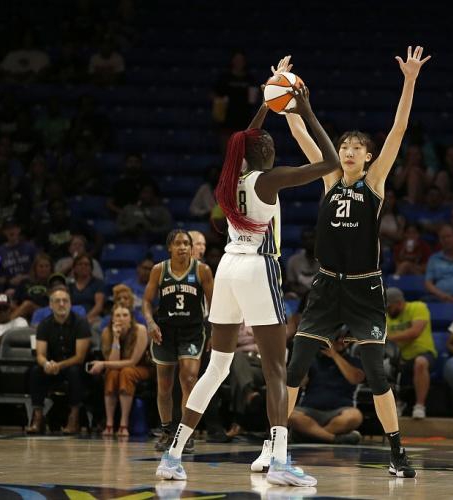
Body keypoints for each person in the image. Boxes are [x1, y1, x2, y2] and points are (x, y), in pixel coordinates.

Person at [156, 60, 340, 487]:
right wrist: (304, 108)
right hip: (258, 267)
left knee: (216, 367)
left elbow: (245, 139)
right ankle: (279, 461)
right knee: (277, 369)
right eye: (269, 144)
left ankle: (172, 455)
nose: (272, 147)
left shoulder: (231, 178)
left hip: (227, 269)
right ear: (265, 154)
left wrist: (266, 103)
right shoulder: (268, 180)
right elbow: (331, 161)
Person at [282, 47, 430, 479]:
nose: (347, 151)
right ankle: (276, 447)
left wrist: (409, 81)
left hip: (365, 289)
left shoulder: (375, 183)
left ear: (367, 157)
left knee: (376, 374)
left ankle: (397, 452)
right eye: (344, 146)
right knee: (296, 365)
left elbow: (398, 130)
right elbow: (300, 132)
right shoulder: (329, 178)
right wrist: (285, 93)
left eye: (356, 148)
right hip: (327, 285)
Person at [143, 230, 214, 454]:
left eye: (186, 243)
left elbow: (214, 303)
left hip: (192, 331)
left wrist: (214, 331)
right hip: (164, 332)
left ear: (191, 248)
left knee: (189, 379)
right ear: (169, 248)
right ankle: (167, 431)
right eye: (178, 243)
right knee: (164, 385)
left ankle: (185, 433)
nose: (182, 247)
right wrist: (150, 323)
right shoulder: (159, 270)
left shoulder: (202, 270)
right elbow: (146, 301)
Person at [26, 286, 91, 434]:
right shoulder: (44, 325)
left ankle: (74, 418)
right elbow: (40, 354)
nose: (62, 304)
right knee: (36, 371)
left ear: (70, 303)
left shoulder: (80, 323)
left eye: (65, 301)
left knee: (74, 372)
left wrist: (58, 365)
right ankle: (38, 417)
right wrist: (46, 364)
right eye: (57, 301)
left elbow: (80, 357)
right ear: (51, 305)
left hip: (74, 367)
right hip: (52, 367)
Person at [288, 329, 364, 444]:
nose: (341, 341)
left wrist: (335, 355)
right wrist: (304, 358)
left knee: (355, 416)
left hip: (340, 412)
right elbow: (300, 382)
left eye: (344, 339)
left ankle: (307, 435)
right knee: (289, 414)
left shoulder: (353, 361)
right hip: (309, 411)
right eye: (337, 338)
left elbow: (355, 378)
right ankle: (332, 438)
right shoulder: (312, 359)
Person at [87, 305, 150, 437]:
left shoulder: (140, 330)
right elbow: (113, 363)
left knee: (126, 372)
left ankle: (123, 423)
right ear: (112, 319)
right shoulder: (106, 332)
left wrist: (103, 364)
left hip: (141, 368)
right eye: (117, 315)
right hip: (118, 369)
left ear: (131, 318)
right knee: (112, 373)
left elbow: (133, 362)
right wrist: (116, 338)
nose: (121, 318)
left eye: (125, 315)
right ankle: (109, 424)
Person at [385, 288, 436, 419]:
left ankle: (420, 406)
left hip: (423, 353)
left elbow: (414, 332)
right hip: (399, 356)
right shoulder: (386, 316)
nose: (387, 310)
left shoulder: (418, 307)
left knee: (420, 362)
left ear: (399, 302)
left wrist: (389, 337)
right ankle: (397, 403)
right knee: (383, 364)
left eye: (389, 307)